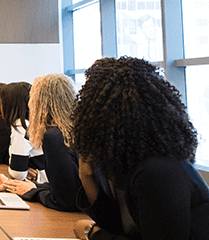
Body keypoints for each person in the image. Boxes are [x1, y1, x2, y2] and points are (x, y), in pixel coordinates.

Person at [71, 57, 209, 240]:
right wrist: (86, 176)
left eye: (87, 99)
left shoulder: (158, 170)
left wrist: (93, 234)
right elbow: (121, 226)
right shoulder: (124, 162)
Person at [0, 74, 80, 212]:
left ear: (39, 103)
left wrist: (33, 192)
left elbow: (65, 201)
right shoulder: (75, 129)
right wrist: (15, 185)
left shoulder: (54, 137)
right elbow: (70, 187)